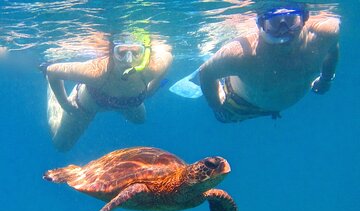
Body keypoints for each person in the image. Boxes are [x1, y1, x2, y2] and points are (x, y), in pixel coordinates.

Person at [171, 6, 339, 123]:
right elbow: (207, 72)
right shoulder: (240, 54)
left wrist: (326, 78)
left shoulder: (325, 34)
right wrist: (216, 104)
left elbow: (332, 48)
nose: (283, 30)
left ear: (305, 17)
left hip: (274, 99)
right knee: (221, 119)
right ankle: (210, 57)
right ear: (260, 24)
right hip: (241, 104)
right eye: (274, 23)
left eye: (290, 20)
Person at [44, 31, 173, 151]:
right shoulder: (96, 72)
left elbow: (168, 57)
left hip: (129, 103)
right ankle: (51, 93)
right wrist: (65, 105)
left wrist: (151, 89)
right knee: (61, 145)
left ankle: (118, 108)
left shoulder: (152, 67)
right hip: (88, 105)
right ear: (112, 53)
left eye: (136, 52)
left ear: (144, 54)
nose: (129, 60)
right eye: (121, 53)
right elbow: (52, 71)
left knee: (140, 120)